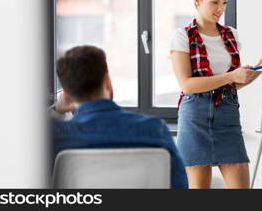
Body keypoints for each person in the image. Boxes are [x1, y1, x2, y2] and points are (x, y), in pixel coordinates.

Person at [170, 0, 262, 189]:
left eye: (224, 3)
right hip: (194, 115)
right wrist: (232, 76)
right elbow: (187, 85)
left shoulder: (231, 35)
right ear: (197, 1)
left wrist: (257, 71)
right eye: (214, 2)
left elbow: (232, 84)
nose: (220, 9)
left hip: (227, 113)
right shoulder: (182, 36)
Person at [51, 45, 188, 189]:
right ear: (107, 82)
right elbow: (179, 186)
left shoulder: (56, 137)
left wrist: (57, 111)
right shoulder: (154, 129)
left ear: (66, 95)